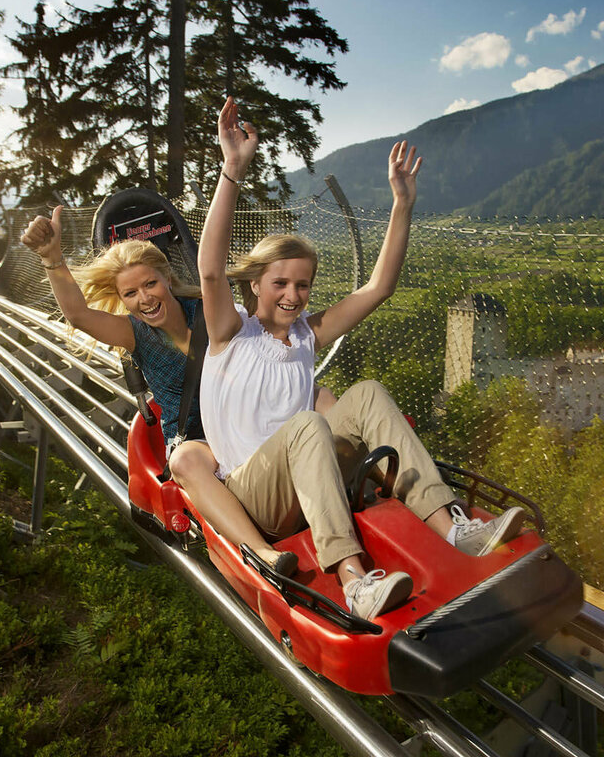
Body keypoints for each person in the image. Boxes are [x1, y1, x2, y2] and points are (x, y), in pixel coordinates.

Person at [198, 97, 525, 621]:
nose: (292, 293)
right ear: (256, 284)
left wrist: (402, 204)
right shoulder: (231, 331)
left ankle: (453, 527)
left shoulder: (308, 334)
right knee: (308, 423)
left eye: (302, 284)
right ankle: (353, 580)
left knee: (367, 391)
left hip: (310, 477)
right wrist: (232, 168)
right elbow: (211, 271)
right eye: (280, 282)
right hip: (256, 493)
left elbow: (379, 287)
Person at [21, 206, 318, 574]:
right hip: (199, 438)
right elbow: (79, 315)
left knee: (319, 396)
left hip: (247, 421)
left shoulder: (211, 312)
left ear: (168, 279)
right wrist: (53, 260)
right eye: (130, 294)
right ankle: (262, 554)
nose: (144, 299)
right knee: (184, 461)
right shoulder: (135, 333)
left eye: (150, 284)